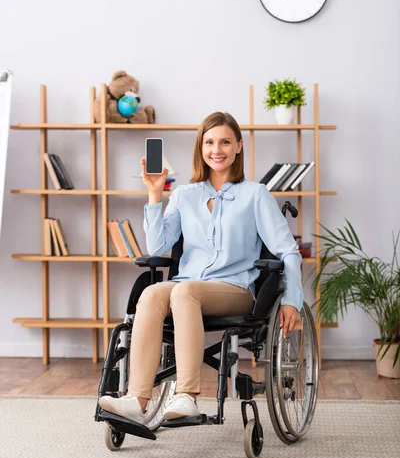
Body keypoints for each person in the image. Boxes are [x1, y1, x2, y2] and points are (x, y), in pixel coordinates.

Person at [99, 112, 303, 423]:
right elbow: (156, 247)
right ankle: (136, 399)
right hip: (189, 286)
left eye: (224, 142)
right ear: (200, 147)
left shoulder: (254, 194)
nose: (216, 149)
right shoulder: (184, 194)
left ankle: (187, 395)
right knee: (153, 294)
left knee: (185, 291)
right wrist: (155, 194)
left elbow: (288, 250)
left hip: (235, 288)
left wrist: (292, 301)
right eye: (209, 142)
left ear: (238, 146)